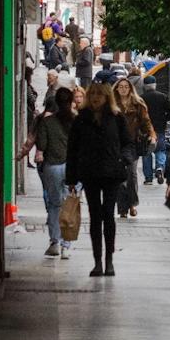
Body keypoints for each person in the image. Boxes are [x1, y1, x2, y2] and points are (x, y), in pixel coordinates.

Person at [66, 81, 132, 277]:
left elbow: (128, 142)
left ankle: (109, 260)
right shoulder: (81, 120)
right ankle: (97, 261)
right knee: (95, 216)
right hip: (90, 173)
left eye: (99, 94)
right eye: (92, 93)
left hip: (112, 173)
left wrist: (125, 159)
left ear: (106, 97)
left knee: (108, 215)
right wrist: (71, 177)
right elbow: (73, 149)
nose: (95, 97)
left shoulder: (116, 117)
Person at [36, 87, 75, 259]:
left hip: (53, 166)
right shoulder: (77, 121)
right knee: (70, 206)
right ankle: (67, 246)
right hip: (74, 167)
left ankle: (55, 242)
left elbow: (42, 145)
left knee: (54, 204)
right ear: (71, 101)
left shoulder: (47, 122)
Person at [113, 78, 155, 217]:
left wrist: (151, 135)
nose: (124, 89)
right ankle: (122, 209)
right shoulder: (111, 105)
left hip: (132, 143)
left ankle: (132, 204)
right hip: (116, 144)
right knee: (119, 177)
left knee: (131, 174)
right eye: (121, 87)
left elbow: (146, 122)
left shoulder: (138, 104)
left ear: (131, 88)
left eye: (126, 86)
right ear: (117, 89)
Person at [141, 75, 170, 184]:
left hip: (145, 129)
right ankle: (160, 167)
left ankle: (148, 178)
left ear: (145, 86)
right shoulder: (162, 97)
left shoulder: (141, 98)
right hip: (160, 128)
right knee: (160, 150)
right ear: (155, 85)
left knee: (147, 153)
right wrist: (165, 119)